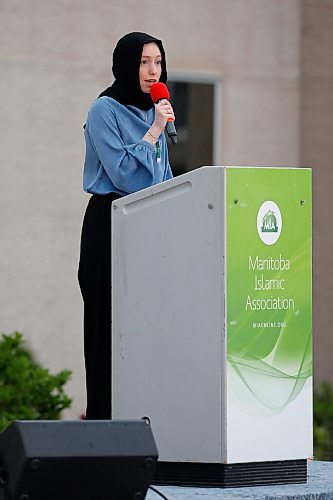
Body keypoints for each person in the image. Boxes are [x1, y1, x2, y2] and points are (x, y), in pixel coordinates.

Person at [78, 32, 174, 420]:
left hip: (148, 226)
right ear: (125, 64)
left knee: (144, 331)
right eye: (144, 62)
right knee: (106, 331)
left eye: (158, 62)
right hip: (111, 222)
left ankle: (144, 424)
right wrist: (153, 131)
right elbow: (123, 175)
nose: (153, 71)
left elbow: (162, 178)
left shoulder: (155, 109)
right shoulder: (104, 109)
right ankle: (103, 426)